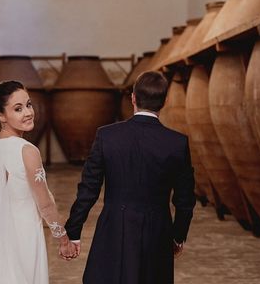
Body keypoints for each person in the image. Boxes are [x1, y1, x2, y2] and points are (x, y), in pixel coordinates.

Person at [63, 71, 196, 283]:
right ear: (164, 102)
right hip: (158, 231)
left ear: (133, 97)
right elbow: (185, 200)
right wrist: (178, 236)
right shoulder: (177, 143)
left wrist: (73, 231)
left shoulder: (107, 136)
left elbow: (88, 189)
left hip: (114, 227)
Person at [0, 80, 76, 284]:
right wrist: (63, 240)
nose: (28, 112)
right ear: (0, 116)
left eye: (29, 105)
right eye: (18, 108)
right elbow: (45, 204)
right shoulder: (27, 151)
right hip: (23, 238)